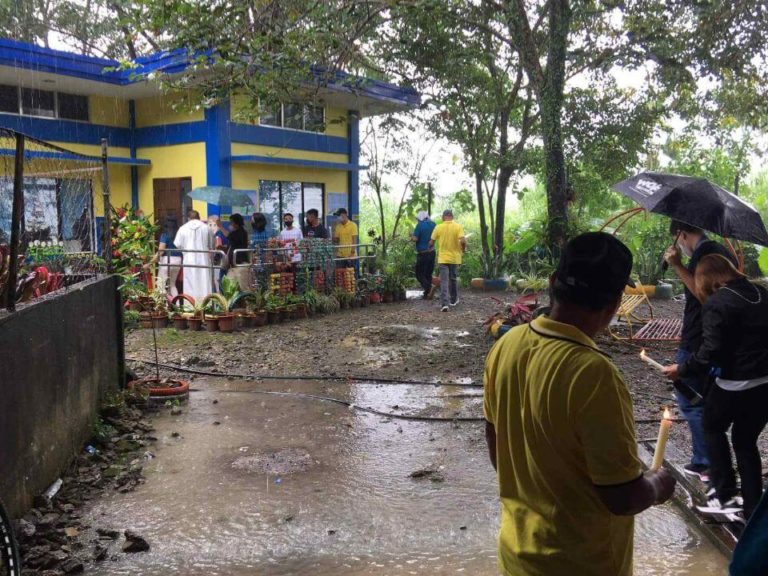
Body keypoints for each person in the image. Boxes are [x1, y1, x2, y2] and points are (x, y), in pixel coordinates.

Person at [484, 232, 676, 576]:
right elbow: (622, 498)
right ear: (615, 304)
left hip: (516, 558)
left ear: (554, 282)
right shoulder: (595, 373)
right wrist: (657, 485)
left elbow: (496, 446)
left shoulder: (506, 346)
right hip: (580, 563)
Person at [662, 254, 768, 518]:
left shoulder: (718, 302)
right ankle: (753, 507)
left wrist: (681, 370)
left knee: (712, 426)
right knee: (745, 442)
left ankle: (724, 496)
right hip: (765, 383)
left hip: (736, 383)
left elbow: (710, 350)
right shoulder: (760, 292)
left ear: (707, 278)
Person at [664, 220, 738, 482]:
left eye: (678, 239)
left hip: (699, 337)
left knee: (690, 399)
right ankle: (712, 461)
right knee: (706, 399)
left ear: (681, 235)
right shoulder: (718, 251)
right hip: (714, 336)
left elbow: (703, 294)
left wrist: (676, 265)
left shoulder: (705, 255)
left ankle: (705, 463)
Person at [428, 209, 465, 312]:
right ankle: (453, 300)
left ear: (443, 217)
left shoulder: (438, 227)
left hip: (443, 258)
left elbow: (431, 242)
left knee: (444, 281)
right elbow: (462, 240)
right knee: (453, 279)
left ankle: (445, 304)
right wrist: (463, 248)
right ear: (452, 216)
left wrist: (429, 247)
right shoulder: (458, 227)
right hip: (454, 258)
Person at [174, 210, 214, 303]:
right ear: (199, 217)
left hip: (189, 260)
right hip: (204, 260)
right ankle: (205, 305)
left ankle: (190, 306)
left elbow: (178, 244)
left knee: (190, 283)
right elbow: (212, 245)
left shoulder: (182, 228)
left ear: (188, 218)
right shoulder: (206, 228)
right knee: (204, 282)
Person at [146, 215, 182, 297]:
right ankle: (177, 306)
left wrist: (150, 263)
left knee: (160, 285)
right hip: (178, 261)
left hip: (167, 260)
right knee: (172, 285)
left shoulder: (165, 235)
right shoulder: (179, 234)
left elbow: (161, 251)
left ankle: (163, 306)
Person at [217, 213, 250, 290]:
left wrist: (220, 226)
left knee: (241, 286)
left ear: (236, 223)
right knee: (228, 284)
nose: (230, 224)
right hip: (232, 264)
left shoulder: (241, 232)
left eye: (231, 222)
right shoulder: (236, 233)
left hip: (239, 264)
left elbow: (229, 236)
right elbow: (232, 245)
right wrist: (223, 248)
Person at [411, 210, 436, 299]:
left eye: (418, 219)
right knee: (428, 274)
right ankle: (427, 294)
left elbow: (415, 239)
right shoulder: (433, 224)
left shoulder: (420, 225)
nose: (417, 220)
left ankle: (429, 287)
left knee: (419, 274)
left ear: (420, 218)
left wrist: (411, 236)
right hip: (432, 252)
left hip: (423, 253)